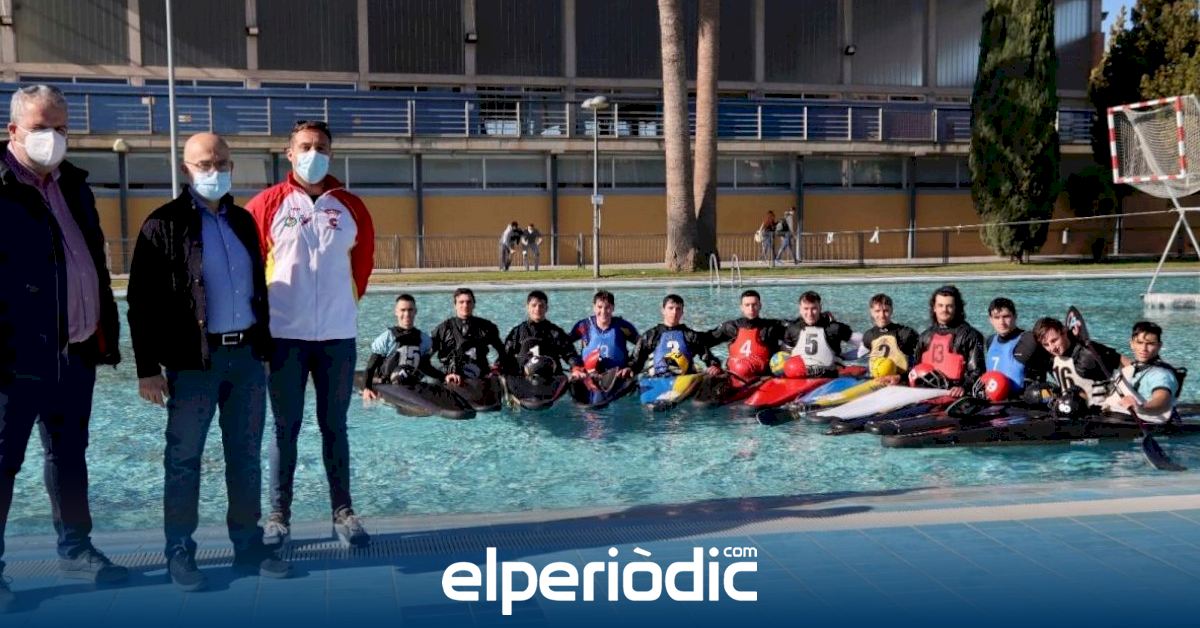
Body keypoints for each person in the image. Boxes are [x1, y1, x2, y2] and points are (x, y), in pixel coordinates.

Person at [128, 132, 289, 591]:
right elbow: (141, 303)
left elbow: (258, 291)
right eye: (204, 163)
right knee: (184, 460)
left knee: (245, 457)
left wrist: (264, 350)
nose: (213, 170)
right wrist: (146, 369)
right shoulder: (163, 224)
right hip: (193, 362)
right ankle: (179, 551)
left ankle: (248, 544)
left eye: (221, 162)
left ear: (232, 166)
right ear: (186, 169)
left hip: (246, 359)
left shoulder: (242, 222)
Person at [0, 84, 127, 608]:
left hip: (75, 352)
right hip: (14, 359)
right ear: (13, 130)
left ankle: (76, 549)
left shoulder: (73, 184)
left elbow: (92, 259)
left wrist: (104, 333)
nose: (52, 137)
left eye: (61, 128)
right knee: (2, 463)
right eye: (40, 127)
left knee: (69, 456)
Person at [246, 119, 375, 550]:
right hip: (284, 338)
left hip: (337, 337)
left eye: (320, 146)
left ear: (331, 154)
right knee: (284, 428)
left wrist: (341, 306)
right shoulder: (266, 205)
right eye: (305, 146)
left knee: (334, 426)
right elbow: (249, 271)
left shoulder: (352, 207)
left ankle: (343, 511)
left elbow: (362, 267)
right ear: (289, 153)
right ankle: (278, 515)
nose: (312, 153)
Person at [362, 294, 447, 398]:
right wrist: (367, 388)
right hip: (388, 386)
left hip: (413, 386)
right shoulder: (386, 338)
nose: (407, 314)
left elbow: (425, 367)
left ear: (415, 311)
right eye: (403, 310)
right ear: (396, 312)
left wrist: (444, 377)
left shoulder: (424, 340)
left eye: (410, 310)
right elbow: (371, 366)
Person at [1033, 316, 1124, 409]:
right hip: (1068, 407)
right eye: (1046, 344)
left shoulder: (1088, 353)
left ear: (1064, 331)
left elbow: (1125, 364)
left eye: (1054, 340)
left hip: (1099, 409)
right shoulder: (1048, 356)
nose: (1052, 348)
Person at [1101, 321, 1182, 424]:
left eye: (1150, 344)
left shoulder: (1161, 374)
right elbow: (1118, 359)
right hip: (1118, 416)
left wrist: (1140, 408)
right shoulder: (1136, 366)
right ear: (1132, 344)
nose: (1144, 349)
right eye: (1139, 342)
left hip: (1142, 421)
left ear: (1159, 346)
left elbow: (1161, 400)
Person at [912, 285, 985, 398]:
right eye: (940, 305)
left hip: (956, 396)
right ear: (934, 308)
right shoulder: (924, 336)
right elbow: (915, 368)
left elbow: (978, 371)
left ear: (957, 308)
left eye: (949, 306)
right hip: (927, 394)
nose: (944, 310)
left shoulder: (971, 336)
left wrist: (963, 387)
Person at [629, 295, 722, 377]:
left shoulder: (691, 335)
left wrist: (714, 366)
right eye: (671, 308)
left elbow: (708, 357)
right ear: (663, 311)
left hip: (685, 380)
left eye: (678, 309)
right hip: (657, 380)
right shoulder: (651, 335)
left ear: (682, 312)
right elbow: (636, 359)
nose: (674, 312)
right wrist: (630, 368)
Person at [431, 288, 507, 384]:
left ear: (474, 304)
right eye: (461, 302)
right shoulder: (442, 329)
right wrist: (443, 376)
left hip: (480, 379)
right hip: (450, 378)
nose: (465, 305)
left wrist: (496, 367)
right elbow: (424, 359)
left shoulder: (487, 327)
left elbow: (503, 351)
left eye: (469, 302)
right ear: (455, 305)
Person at [503, 291, 585, 380]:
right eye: (534, 305)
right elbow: (505, 354)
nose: (537, 309)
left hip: (551, 379)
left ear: (546, 308)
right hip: (524, 380)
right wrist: (498, 367)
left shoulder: (556, 332)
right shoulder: (517, 332)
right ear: (527, 307)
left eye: (541, 306)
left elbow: (570, 354)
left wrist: (576, 368)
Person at [705, 290, 786, 378]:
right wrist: (714, 363)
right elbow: (703, 341)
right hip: (733, 376)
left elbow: (794, 332)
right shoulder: (731, 327)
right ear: (741, 307)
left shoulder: (772, 327)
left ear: (760, 306)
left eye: (754, 304)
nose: (751, 308)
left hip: (763, 377)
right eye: (747, 305)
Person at [982, 297, 1048, 396]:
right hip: (993, 399)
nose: (1002, 322)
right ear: (990, 320)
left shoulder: (1029, 339)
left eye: (1006, 316)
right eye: (996, 317)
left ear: (1015, 316)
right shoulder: (990, 341)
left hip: (1021, 400)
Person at [782, 291, 853, 378]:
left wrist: (844, 357)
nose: (810, 314)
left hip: (829, 378)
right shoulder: (792, 329)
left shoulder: (834, 328)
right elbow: (784, 353)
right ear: (800, 308)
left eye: (814, 308)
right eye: (806, 308)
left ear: (820, 308)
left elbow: (864, 343)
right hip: (798, 378)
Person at [570, 290, 640, 378]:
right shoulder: (583, 326)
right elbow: (565, 346)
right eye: (599, 307)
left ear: (613, 308)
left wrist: (631, 366)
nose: (603, 311)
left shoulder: (622, 326)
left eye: (607, 307)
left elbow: (642, 346)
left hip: (618, 376)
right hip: (588, 376)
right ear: (594, 307)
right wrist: (576, 367)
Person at [859, 293, 919, 385]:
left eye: (886, 310)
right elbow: (861, 356)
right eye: (877, 311)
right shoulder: (868, 336)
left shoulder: (906, 333)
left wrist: (901, 377)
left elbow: (921, 361)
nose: (882, 315)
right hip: (877, 382)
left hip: (901, 383)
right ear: (871, 312)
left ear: (891, 310)